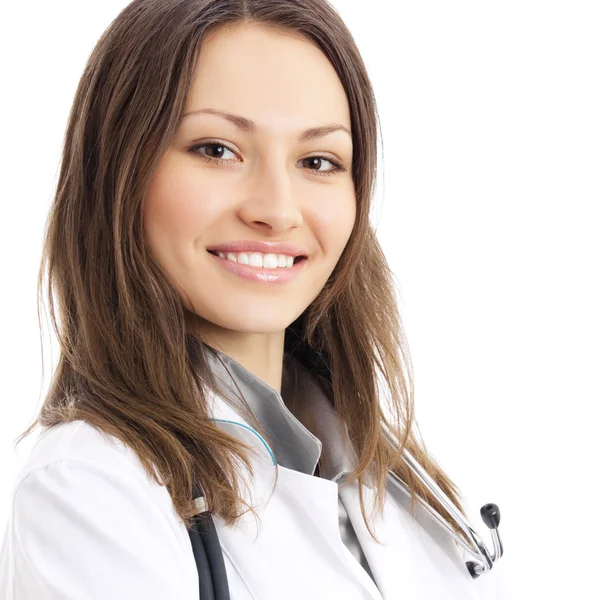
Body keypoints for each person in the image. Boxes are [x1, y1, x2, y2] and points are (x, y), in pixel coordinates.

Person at [0, 1, 512, 598]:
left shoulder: (388, 471)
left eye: (317, 161)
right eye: (217, 149)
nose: (276, 209)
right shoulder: (89, 489)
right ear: (118, 170)